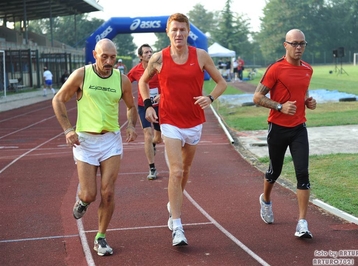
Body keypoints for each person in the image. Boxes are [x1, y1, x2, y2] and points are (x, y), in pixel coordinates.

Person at [139, 13, 227, 247]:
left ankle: (172, 202)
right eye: (174, 29)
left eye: (182, 30)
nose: (178, 34)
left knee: (185, 170)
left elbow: (221, 83)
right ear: (167, 32)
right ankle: (177, 226)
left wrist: (210, 97)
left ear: (188, 32)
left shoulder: (200, 56)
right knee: (176, 172)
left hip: (194, 122)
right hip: (169, 121)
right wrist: (148, 105)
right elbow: (143, 82)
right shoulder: (158, 58)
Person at [52, 38, 138, 256]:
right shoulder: (82, 75)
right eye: (104, 57)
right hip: (85, 142)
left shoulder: (122, 80)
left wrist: (131, 126)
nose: (109, 62)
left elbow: (130, 106)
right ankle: (83, 200)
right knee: (90, 194)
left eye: (113, 57)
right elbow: (58, 99)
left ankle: (101, 237)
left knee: (108, 192)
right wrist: (68, 130)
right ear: (94, 54)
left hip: (110, 141)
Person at [253, 29, 317, 239]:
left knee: (303, 174)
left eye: (302, 44)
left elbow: (304, 91)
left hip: (299, 128)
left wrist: (309, 101)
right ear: (285, 45)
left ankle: (302, 223)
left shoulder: (308, 69)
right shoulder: (276, 69)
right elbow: (257, 97)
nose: (298, 48)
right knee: (275, 171)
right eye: (294, 44)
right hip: (278, 128)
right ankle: (266, 200)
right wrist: (280, 107)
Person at [127, 44, 162, 180]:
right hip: (144, 106)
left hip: (160, 106)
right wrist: (128, 94)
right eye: (146, 52)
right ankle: (152, 168)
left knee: (157, 138)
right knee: (147, 134)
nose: (149, 54)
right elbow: (125, 82)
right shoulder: (135, 70)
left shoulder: (159, 68)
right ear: (140, 56)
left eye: (151, 52)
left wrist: (163, 94)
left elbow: (168, 82)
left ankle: (154, 142)